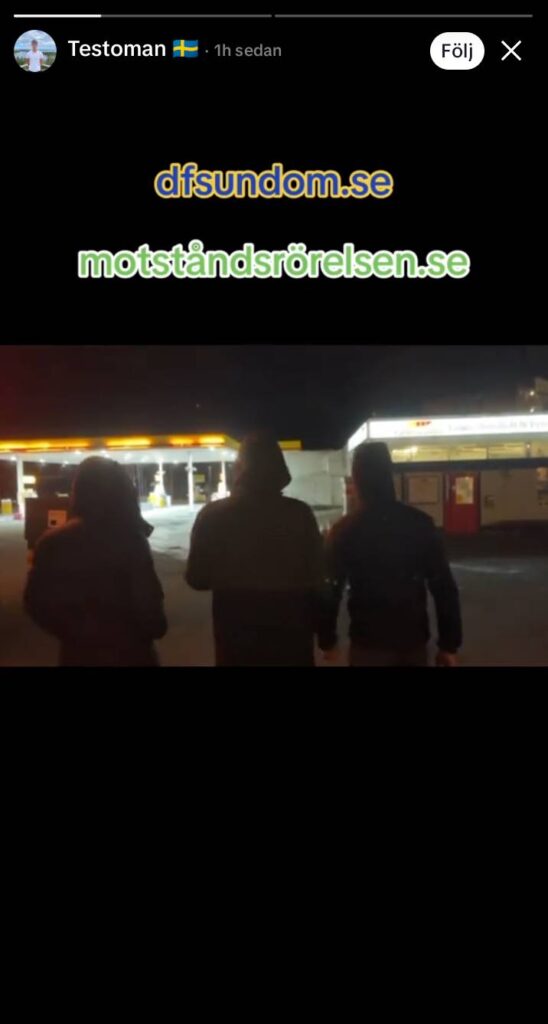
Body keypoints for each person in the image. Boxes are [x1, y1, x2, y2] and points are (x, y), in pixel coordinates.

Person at [185, 431, 323, 667]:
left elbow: (197, 578)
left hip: (236, 638)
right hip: (292, 637)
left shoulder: (213, 515)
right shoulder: (300, 514)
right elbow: (318, 575)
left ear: (240, 469)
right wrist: (326, 633)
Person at [318, 442, 462, 667]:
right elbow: (444, 587)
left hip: (368, 643)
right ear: (389, 475)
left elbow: (330, 589)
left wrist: (327, 640)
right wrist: (448, 645)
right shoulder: (420, 524)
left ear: (357, 479)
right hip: (412, 641)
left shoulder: (345, 530)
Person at [24, 457, 167, 667]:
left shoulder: (51, 542)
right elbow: (148, 607)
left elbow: (36, 604)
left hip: (77, 654)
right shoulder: (129, 540)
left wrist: (74, 632)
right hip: (131, 653)